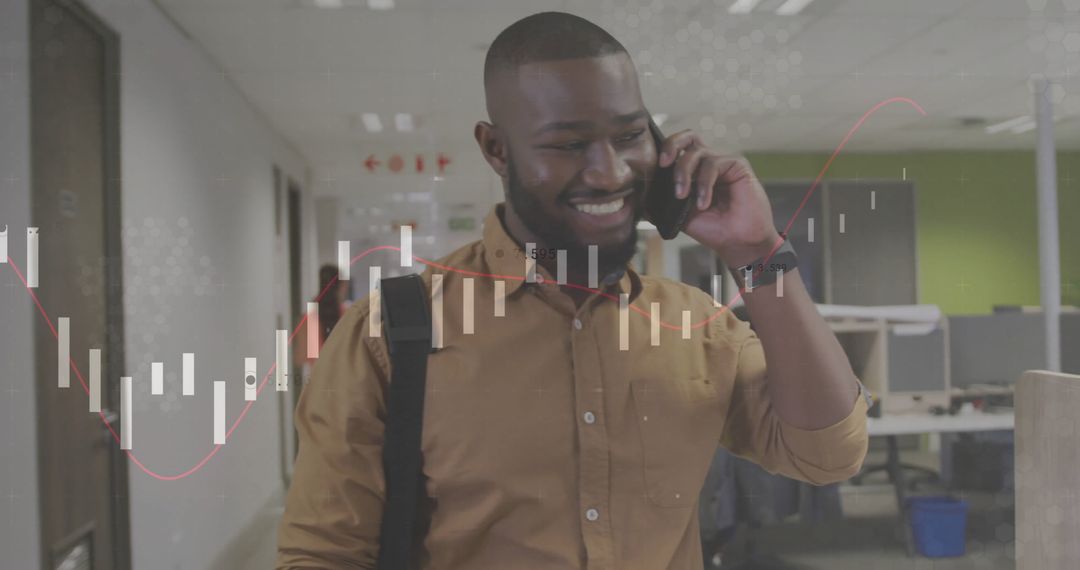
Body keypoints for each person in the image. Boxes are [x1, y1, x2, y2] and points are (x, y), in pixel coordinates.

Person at [276, 12, 870, 570]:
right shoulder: (393, 333)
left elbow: (828, 454)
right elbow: (324, 552)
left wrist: (757, 253)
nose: (610, 172)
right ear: (496, 149)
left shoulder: (698, 325)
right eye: (568, 144)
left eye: (630, 135)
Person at [293, 264, 349, 369]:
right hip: (345, 380)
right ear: (341, 286)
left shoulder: (309, 319)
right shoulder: (349, 316)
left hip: (318, 380)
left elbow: (300, 357)